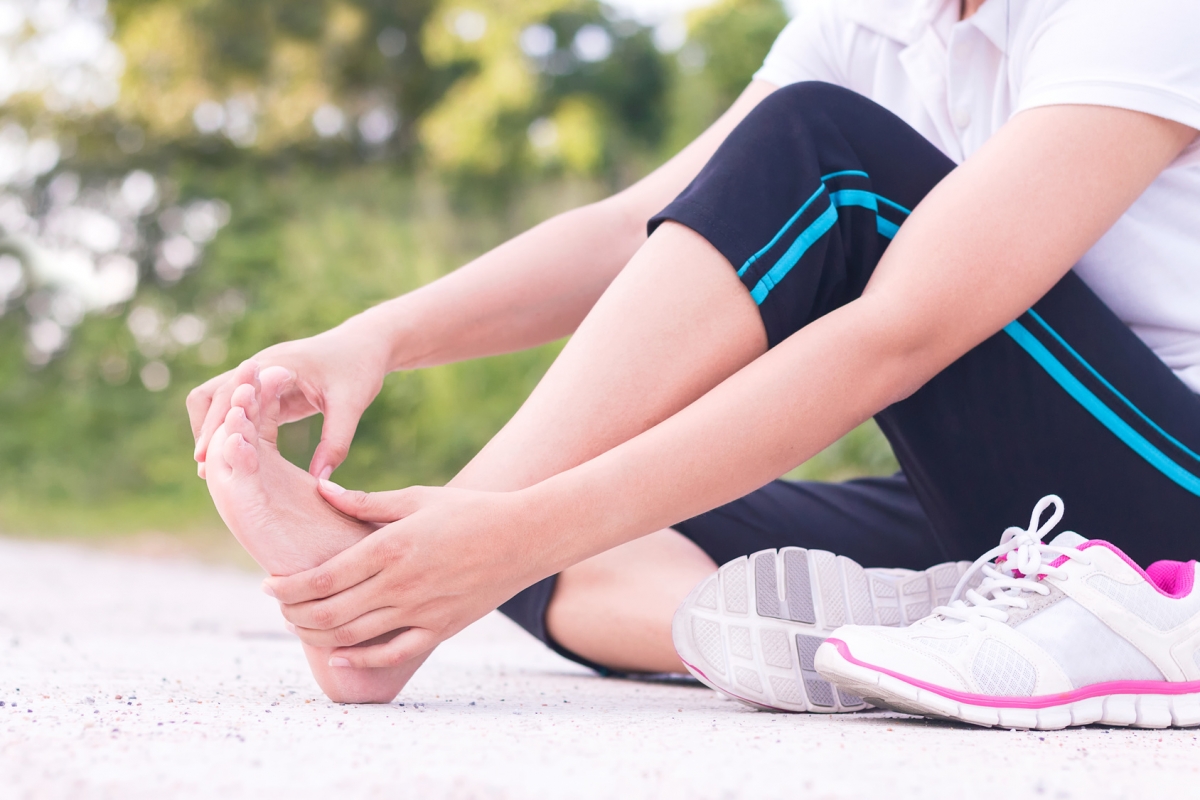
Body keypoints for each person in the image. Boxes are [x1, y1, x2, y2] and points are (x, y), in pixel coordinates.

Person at [188, 0, 1200, 714]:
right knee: (568, 541)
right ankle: (905, 640)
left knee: (824, 156)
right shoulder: (883, 19)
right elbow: (653, 224)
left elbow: (904, 329)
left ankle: (393, 590)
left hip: (1176, 498)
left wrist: (500, 524)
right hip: (1041, 498)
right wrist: (376, 336)